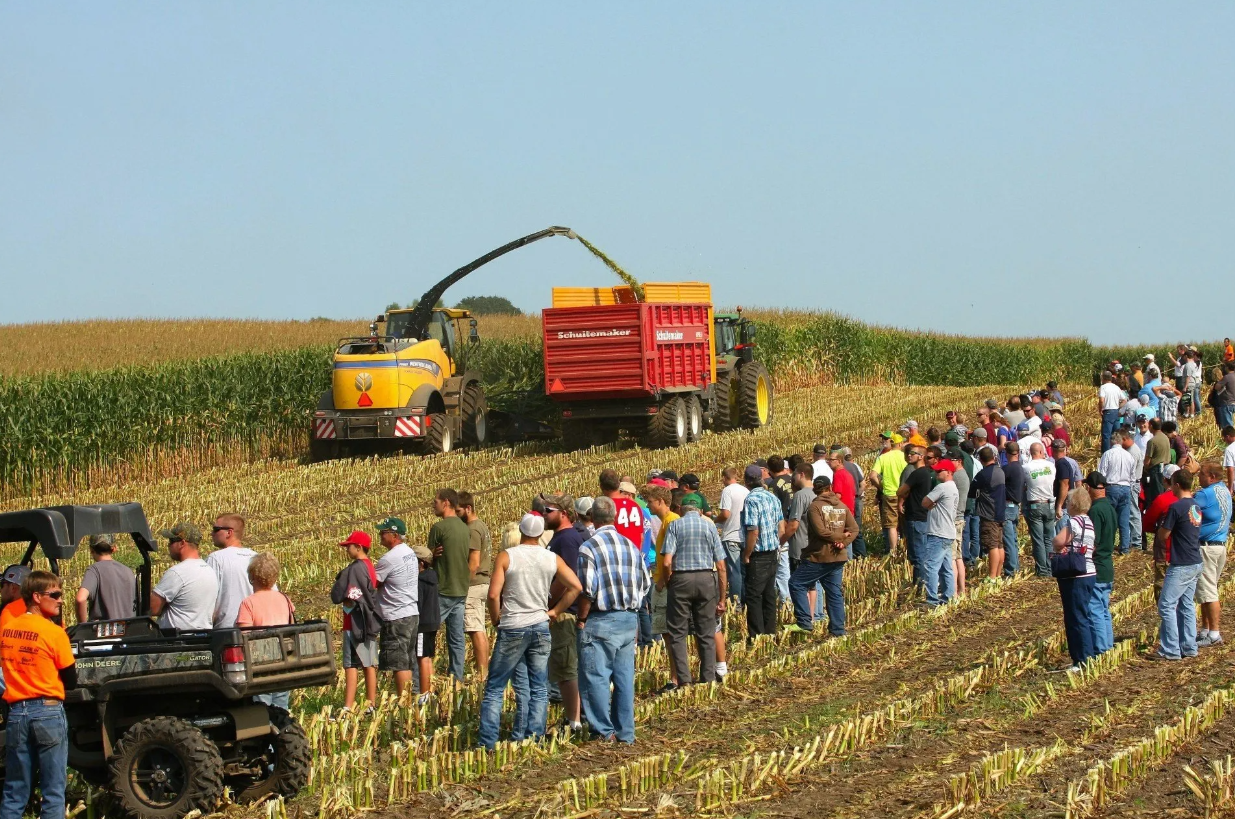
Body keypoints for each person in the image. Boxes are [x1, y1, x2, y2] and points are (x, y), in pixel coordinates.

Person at [478, 512, 581, 750]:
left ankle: (487, 743)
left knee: (495, 687)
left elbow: (493, 594)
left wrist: (495, 619)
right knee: (538, 686)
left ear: (522, 532)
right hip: (540, 625)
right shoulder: (551, 557)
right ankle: (531, 737)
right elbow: (575, 586)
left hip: (513, 625)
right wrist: (554, 611)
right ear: (540, 533)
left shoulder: (507, 556)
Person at [0, 571, 75, 819]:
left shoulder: (8, 629)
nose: (60, 600)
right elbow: (71, 679)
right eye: (54, 595)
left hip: (16, 714)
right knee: (53, 791)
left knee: (14, 790)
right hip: (48, 711)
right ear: (36, 596)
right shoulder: (54, 632)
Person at [576, 496, 651, 744]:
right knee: (624, 678)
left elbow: (588, 589)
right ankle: (626, 733)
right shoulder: (630, 546)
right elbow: (645, 584)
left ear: (593, 518)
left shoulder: (589, 547)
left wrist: (582, 618)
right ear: (614, 516)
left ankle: (604, 732)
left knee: (595, 677)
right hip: (629, 619)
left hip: (601, 618)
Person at [661, 495, 727, 684]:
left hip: (681, 579)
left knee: (678, 633)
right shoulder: (709, 526)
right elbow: (721, 566)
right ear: (699, 510)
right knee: (706, 632)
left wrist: (668, 582)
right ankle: (707, 679)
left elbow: (666, 562)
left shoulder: (675, 525)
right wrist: (722, 598)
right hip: (706, 579)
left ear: (681, 509)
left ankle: (684, 681)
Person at [788, 475, 857, 633]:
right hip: (838, 556)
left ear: (815, 489)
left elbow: (820, 532)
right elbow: (854, 529)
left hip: (819, 556)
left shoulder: (815, 507)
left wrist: (840, 538)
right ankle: (838, 630)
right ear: (830, 487)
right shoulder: (841, 505)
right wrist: (843, 542)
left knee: (796, 583)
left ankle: (804, 621)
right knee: (834, 593)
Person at [545, 493, 588, 731]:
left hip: (565, 613)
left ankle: (574, 721)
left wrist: (550, 603)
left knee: (566, 668)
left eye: (549, 510)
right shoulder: (561, 538)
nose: (544, 514)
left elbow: (567, 578)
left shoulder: (566, 539)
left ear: (563, 513)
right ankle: (574, 716)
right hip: (563, 611)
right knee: (564, 668)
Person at [1153, 471, 1204, 661]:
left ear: (1176, 485)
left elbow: (1164, 535)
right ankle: (1189, 647)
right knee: (1187, 605)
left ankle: (1170, 649)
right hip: (1195, 561)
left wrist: (1160, 529)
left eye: (1171, 484)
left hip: (1181, 563)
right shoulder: (1196, 506)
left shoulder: (1176, 507)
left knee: (1166, 605)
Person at [235, 553, 295, 710]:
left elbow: (244, 634)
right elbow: (292, 625)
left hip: (260, 661)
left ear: (252, 577)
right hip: (283, 658)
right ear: (275, 577)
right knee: (281, 703)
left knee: (262, 704)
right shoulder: (284, 598)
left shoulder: (248, 603)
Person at [330, 530, 381, 714]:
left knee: (351, 664)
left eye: (348, 546)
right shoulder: (370, 567)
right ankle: (371, 703)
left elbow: (347, 596)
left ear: (358, 547)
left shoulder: (355, 568)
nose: (346, 550)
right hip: (368, 622)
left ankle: (348, 706)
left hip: (354, 623)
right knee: (369, 663)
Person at [427, 488, 471, 682]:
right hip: (461, 589)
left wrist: (431, 554)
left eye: (435, 501)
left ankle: (422, 677)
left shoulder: (439, 528)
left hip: (442, 589)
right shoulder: (465, 528)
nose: (433, 505)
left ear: (446, 503)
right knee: (457, 638)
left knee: (426, 633)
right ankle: (457, 678)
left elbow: (426, 560)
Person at [1051, 488, 1098, 670]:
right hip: (1089, 571)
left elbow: (1058, 541)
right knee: (1083, 615)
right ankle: (1088, 655)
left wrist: (1059, 547)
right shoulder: (1089, 522)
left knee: (1075, 618)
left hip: (1075, 575)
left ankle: (1082, 659)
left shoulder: (1075, 522)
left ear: (1073, 504)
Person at [374, 516, 419, 697]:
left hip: (396, 616)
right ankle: (410, 699)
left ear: (394, 535)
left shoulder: (389, 558)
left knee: (399, 663)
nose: (380, 535)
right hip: (411, 612)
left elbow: (373, 583)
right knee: (408, 660)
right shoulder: (409, 553)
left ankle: (404, 701)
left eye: (383, 532)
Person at [740, 464, 785, 637]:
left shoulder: (751, 500)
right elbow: (781, 528)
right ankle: (770, 632)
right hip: (773, 552)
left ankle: (757, 635)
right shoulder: (772, 497)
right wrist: (775, 544)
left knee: (753, 596)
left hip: (758, 555)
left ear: (746, 482)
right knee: (769, 595)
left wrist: (747, 554)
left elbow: (753, 530)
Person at [643, 484, 679, 690]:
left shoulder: (671, 521)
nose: (648, 506)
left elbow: (670, 559)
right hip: (662, 581)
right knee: (666, 633)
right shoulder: (665, 521)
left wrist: (661, 583)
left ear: (660, 502)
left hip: (664, 584)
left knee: (669, 632)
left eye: (650, 502)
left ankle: (675, 678)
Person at [150, 522, 218, 630]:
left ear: (182, 543)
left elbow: (152, 608)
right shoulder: (209, 570)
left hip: (178, 641)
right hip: (203, 638)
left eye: (171, 541)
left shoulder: (177, 572)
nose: (168, 545)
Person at [1194, 463, 1232, 648]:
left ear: (1211, 477)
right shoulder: (1224, 490)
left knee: (1208, 592)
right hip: (1220, 547)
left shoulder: (1205, 494)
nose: (1198, 477)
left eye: (1201, 474)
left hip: (1207, 548)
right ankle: (1205, 630)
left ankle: (1215, 634)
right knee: (1206, 590)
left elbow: (1185, 503)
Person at [458, 492, 493, 681]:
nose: (456, 515)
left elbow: (474, 562)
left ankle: (482, 674)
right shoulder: (482, 526)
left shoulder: (472, 529)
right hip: (484, 582)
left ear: (468, 508)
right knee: (479, 628)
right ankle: (484, 670)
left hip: (474, 584)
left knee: (474, 629)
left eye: (459, 511)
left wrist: (463, 585)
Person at [1082, 472, 1117, 654]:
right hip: (1107, 565)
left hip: (1097, 566)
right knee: (1103, 610)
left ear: (1091, 488)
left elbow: (1091, 542)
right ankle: (1108, 646)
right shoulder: (1110, 507)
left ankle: (1101, 649)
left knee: (1095, 610)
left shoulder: (1095, 510)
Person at [919, 458, 959, 607]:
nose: (936, 472)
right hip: (948, 532)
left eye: (939, 470)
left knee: (930, 566)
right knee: (946, 567)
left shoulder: (942, 487)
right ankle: (948, 596)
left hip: (938, 532)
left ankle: (932, 600)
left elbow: (924, 502)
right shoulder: (954, 488)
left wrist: (930, 505)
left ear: (948, 472)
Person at [207, 513, 257, 628]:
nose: (211, 533)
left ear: (229, 532)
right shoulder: (256, 558)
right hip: (256, 629)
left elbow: (207, 598)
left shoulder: (216, 559)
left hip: (227, 630)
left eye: (216, 529)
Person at [75, 534, 136, 623]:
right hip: (129, 630)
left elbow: (80, 599)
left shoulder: (94, 570)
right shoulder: (128, 571)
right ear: (114, 548)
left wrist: (83, 627)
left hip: (105, 632)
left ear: (91, 550)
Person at [1100, 428, 1141, 555]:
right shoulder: (1128, 455)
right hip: (1126, 487)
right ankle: (1125, 548)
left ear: (1112, 442)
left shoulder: (1107, 454)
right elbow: (1133, 476)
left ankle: (1109, 545)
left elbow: (1102, 474)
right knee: (1124, 520)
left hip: (1112, 487)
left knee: (1110, 519)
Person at [898, 446, 935, 585]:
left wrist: (904, 493)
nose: (909, 455)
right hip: (923, 516)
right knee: (922, 551)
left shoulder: (917, 473)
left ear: (921, 456)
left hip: (915, 517)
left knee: (918, 555)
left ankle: (920, 586)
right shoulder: (927, 473)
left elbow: (900, 491)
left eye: (913, 453)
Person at [971, 447, 1007, 580]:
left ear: (980, 459)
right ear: (994, 457)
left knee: (992, 545)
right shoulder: (1000, 471)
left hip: (989, 514)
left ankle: (992, 577)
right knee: (999, 544)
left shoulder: (984, 474)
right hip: (1000, 513)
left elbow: (972, 491)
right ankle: (997, 574)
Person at [1023, 443, 1057, 578]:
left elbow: (1024, 485)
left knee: (1038, 539)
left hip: (1035, 504)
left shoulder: (1026, 467)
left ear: (1031, 453)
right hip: (1049, 504)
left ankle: (1042, 570)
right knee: (1049, 538)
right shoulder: (1050, 466)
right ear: (1042, 451)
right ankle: (1051, 567)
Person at [869, 433, 908, 553]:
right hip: (905, 494)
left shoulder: (883, 457)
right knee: (905, 523)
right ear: (901, 444)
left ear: (891, 443)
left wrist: (881, 487)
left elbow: (872, 476)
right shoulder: (906, 457)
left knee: (891, 525)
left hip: (889, 494)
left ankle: (893, 551)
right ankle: (906, 550)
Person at [716, 467, 749, 604]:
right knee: (743, 571)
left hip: (731, 536)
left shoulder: (727, 491)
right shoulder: (746, 491)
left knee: (734, 571)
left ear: (724, 477)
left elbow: (725, 514)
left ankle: (736, 603)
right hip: (745, 536)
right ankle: (745, 600)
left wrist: (714, 520)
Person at [411, 543, 439, 699]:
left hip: (422, 624)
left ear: (421, 563)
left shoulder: (420, 581)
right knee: (427, 658)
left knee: (421, 658)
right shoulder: (433, 577)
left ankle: (424, 692)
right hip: (433, 622)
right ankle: (431, 691)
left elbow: (418, 603)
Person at [1002, 442, 1025, 576]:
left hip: (1007, 506)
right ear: (1019, 453)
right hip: (1015, 506)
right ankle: (1015, 567)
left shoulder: (1007, 469)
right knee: (1014, 539)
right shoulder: (1020, 468)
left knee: (1009, 539)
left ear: (1006, 453)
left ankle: (1011, 570)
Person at [1098, 371, 1123, 452]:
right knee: (1116, 434)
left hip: (1108, 412)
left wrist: (1100, 409)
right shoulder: (1116, 387)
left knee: (1106, 435)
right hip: (1116, 411)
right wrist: (1119, 407)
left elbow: (1101, 400)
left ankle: (1106, 453)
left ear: (1103, 378)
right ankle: (1118, 451)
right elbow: (1124, 400)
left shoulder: (1103, 387)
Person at [0, 566, 31, 631]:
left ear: (13, 588)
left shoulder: (9, 612)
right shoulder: (39, 608)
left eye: (2, 585)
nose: (1, 590)